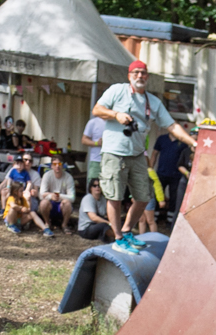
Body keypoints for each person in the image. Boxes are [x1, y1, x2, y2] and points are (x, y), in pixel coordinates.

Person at [92, 60, 198, 238]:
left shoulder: (153, 101)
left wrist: (193, 143)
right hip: (114, 152)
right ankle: (118, 237)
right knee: (115, 198)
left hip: (138, 154)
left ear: (147, 76)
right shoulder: (117, 90)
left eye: (143, 73)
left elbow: (172, 126)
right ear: (129, 75)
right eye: (136, 72)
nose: (140, 76)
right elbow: (97, 109)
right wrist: (116, 114)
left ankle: (126, 231)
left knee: (144, 196)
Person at [37, 156, 78, 233]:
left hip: (62, 205)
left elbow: (72, 198)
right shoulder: (47, 176)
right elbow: (40, 195)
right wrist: (51, 196)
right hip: (50, 204)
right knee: (43, 203)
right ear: (51, 166)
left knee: (67, 203)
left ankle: (64, 225)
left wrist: (59, 196)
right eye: (54, 164)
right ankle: (47, 223)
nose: (57, 166)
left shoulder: (68, 177)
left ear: (62, 165)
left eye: (59, 163)